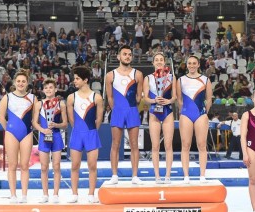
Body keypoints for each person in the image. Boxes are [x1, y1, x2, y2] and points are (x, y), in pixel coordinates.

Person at [105, 45, 144, 185]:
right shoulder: (110, 75)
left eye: (129, 54)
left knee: (134, 144)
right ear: (118, 57)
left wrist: (131, 107)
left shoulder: (138, 74)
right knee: (115, 144)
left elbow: (139, 97)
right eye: (124, 54)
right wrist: (117, 109)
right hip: (118, 111)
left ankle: (135, 176)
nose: (127, 56)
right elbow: (109, 97)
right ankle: (114, 175)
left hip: (132, 110)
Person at [0, 69, 37, 204]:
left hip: (27, 133)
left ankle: (24, 195)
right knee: (13, 165)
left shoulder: (33, 98)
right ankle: (13, 195)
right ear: (15, 82)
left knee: (25, 165)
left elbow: (35, 119)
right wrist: (9, 130)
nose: (21, 83)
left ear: (27, 83)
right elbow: (1, 117)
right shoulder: (7, 97)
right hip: (11, 133)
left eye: (23, 81)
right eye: (19, 81)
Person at [66, 66, 103, 203]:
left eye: (77, 79)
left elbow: (99, 119)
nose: (74, 81)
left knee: (92, 165)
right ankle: (74, 194)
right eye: (74, 78)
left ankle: (91, 194)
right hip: (77, 133)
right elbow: (71, 119)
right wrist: (79, 130)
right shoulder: (71, 98)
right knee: (75, 165)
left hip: (91, 133)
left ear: (85, 80)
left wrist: (91, 131)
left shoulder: (97, 97)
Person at [177, 55, 212, 183]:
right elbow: (179, 100)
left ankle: (202, 175)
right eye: (189, 63)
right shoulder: (181, 80)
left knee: (202, 145)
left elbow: (209, 99)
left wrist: (204, 113)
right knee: (185, 145)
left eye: (194, 63)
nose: (192, 65)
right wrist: (183, 111)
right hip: (186, 113)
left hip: (201, 114)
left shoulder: (205, 80)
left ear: (198, 65)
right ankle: (186, 176)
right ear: (187, 65)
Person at [32, 78, 67, 203]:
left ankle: (56, 194)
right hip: (43, 137)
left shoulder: (61, 104)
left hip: (56, 136)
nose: (48, 90)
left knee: (56, 166)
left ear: (55, 89)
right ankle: (45, 194)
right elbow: (34, 122)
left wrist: (55, 125)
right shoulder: (39, 104)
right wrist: (43, 129)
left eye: (51, 87)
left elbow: (65, 124)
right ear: (43, 90)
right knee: (43, 167)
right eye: (46, 88)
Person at [143, 53, 176, 184]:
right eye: (156, 60)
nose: (159, 62)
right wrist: (154, 100)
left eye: (161, 60)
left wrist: (168, 101)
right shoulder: (148, 78)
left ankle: (167, 175)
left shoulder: (171, 77)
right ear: (153, 63)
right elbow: (145, 98)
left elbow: (175, 97)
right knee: (155, 146)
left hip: (167, 111)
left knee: (168, 145)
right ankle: (157, 176)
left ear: (164, 62)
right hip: (154, 112)